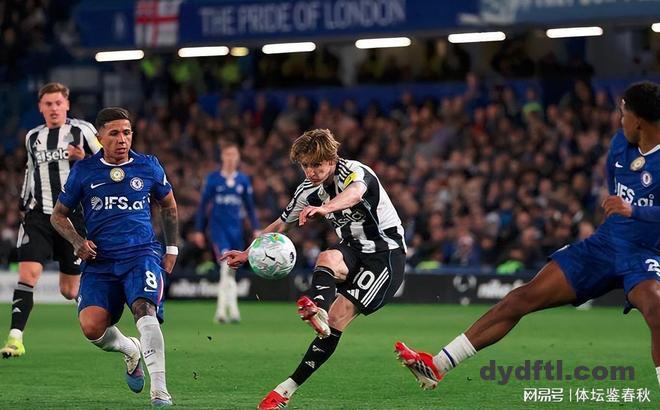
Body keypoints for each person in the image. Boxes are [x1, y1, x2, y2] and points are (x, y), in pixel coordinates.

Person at [395, 81, 660, 390]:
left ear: (639, 121)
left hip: (644, 253)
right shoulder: (619, 145)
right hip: (604, 245)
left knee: (656, 308)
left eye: (624, 114)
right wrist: (621, 215)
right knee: (520, 298)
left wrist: (633, 211)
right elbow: (614, 195)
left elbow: (627, 206)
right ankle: (436, 365)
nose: (620, 120)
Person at [222, 128, 406, 409]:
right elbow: (281, 224)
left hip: (385, 255)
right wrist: (249, 252)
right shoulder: (307, 190)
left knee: (337, 319)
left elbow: (355, 194)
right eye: (305, 165)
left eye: (317, 165)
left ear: (332, 159)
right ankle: (317, 309)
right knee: (326, 258)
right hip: (353, 249)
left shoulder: (355, 172)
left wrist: (325, 208)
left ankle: (285, 389)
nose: (310, 172)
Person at [50, 107, 178, 407]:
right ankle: (130, 349)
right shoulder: (84, 171)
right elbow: (58, 216)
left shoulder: (148, 165)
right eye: (115, 133)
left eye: (127, 132)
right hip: (100, 261)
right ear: (99, 137)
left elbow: (169, 205)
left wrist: (171, 248)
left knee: (144, 310)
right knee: (92, 327)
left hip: (141, 254)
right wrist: (77, 241)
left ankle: (160, 390)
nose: (122, 139)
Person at [2, 82, 102, 358]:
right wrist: (23, 206)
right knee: (28, 275)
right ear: (40, 107)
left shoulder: (83, 131)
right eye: (48, 104)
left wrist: (84, 159)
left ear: (67, 104)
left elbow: (108, 163)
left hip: (72, 219)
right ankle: (15, 339)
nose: (54, 108)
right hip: (39, 216)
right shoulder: (33, 137)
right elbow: (30, 171)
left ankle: (101, 324)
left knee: (69, 290)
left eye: (58, 103)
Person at [192, 139, 259, 323]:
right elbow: (202, 206)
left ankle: (230, 310)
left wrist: (256, 228)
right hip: (218, 230)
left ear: (238, 157)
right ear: (222, 157)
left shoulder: (243, 180)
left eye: (233, 155)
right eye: (227, 154)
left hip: (236, 231)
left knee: (231, 271)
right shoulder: (213, 179)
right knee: (225, 267)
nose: (230, 158)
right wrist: (198, 230)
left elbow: (250, 207)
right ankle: (223, 312)